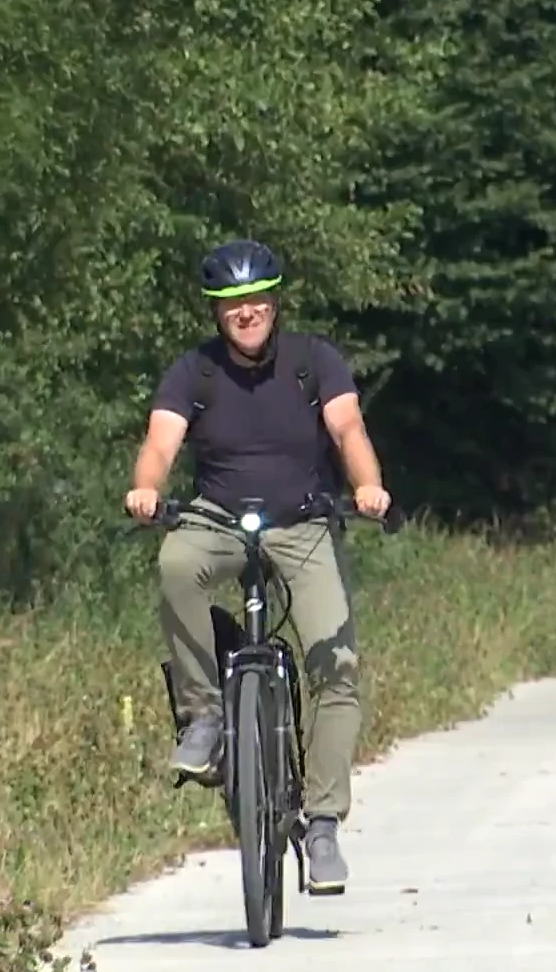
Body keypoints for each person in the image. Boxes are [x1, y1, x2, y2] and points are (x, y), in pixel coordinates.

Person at [123, 238, 392, 893]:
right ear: (217, 312)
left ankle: (323, 825)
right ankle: (205, 717)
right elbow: (161, 442)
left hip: (300, 521)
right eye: (232, 304)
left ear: (275, 301)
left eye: (257, 300)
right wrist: (145, 488)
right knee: (177, 564)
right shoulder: (195, 371)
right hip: (218, 516)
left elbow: (348, 430)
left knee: (337, 663)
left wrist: (368, 486)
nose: (247, 313)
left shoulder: (312, 362)